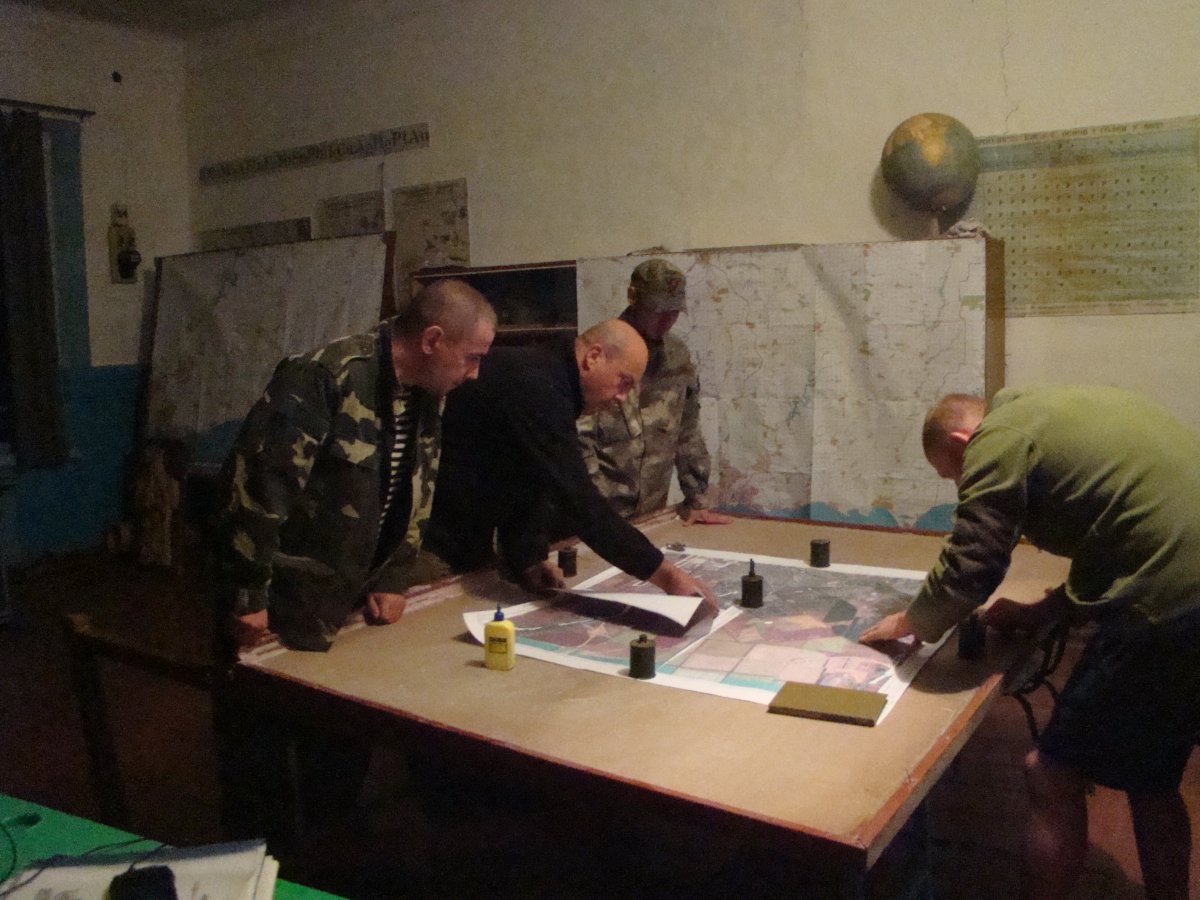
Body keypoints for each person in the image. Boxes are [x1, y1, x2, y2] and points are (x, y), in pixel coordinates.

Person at [860, 385, 1200, 900]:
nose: (960, 485)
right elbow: (1118, 537)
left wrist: (913, 621)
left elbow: (974, 562)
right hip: (1186, 587)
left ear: (962, 441)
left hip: (1166, 600)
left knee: (1050, 773)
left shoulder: (997, 438)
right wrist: (1043, 612)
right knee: (1152, 779)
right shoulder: (1052, 411)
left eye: (954, 473)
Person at [210, 278, 497, 654]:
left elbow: (419, 488)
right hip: (284, 605)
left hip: (348, 603)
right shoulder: (324, 375)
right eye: (472, 357)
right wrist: (247, 595)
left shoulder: (428, 391)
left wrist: (394, 577)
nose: (475, 373)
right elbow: (256, 489)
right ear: (432, 340)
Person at [425, 318, 717, 608]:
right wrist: (667, 577)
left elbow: (529, 474)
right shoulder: (538, 385)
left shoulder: (552, 377)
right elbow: (579, 501)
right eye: (624, 382)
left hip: (466, 531)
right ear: (593, 357)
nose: (622, 397)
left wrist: (528, 558)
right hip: (431, 541)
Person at [578, 258, 731, 525]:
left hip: (651, 516)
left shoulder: (677, 356)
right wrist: (594, 510)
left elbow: (687, 429)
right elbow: (579, 438)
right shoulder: (604, 351)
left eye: (673, 311)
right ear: (633, 297)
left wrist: (696, 498)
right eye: (657, 310)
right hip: (599, 518)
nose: (666, 320)